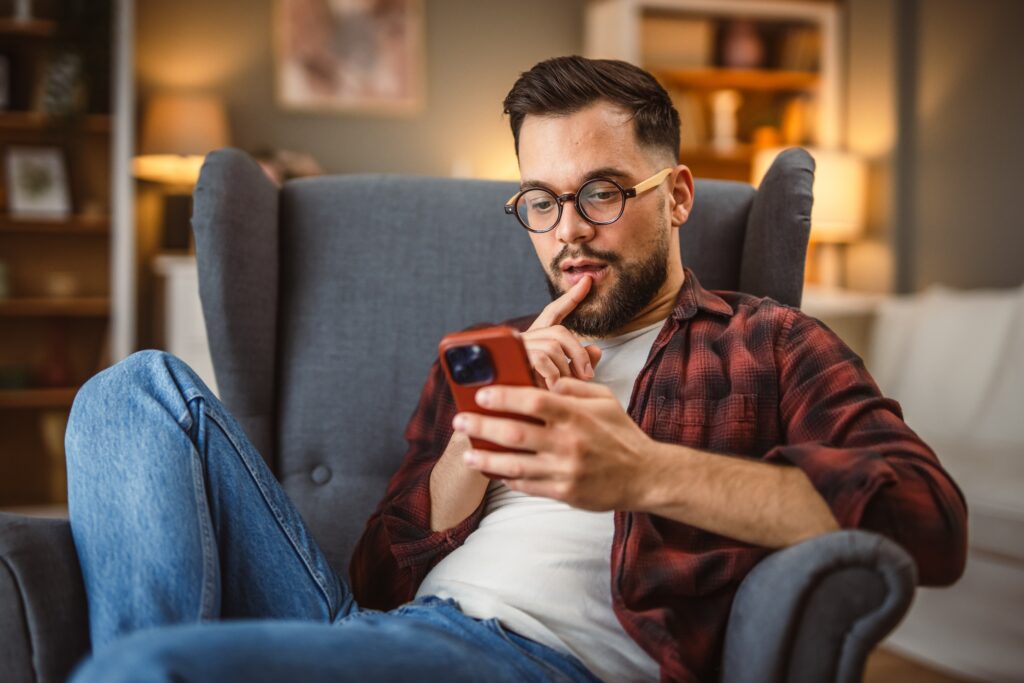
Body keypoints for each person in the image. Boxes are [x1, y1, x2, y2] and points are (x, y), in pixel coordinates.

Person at [65, 56, 967, 683]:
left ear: (678, 195)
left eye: (602, 193)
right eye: (541, 201)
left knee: (149, 668)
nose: (568, 227)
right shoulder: (490, 349)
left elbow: (927, 520)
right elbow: (375, 580)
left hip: (530, 657)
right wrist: (476, 441)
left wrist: (643, 470)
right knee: (134, 390)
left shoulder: (765, 344)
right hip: (374, 630)